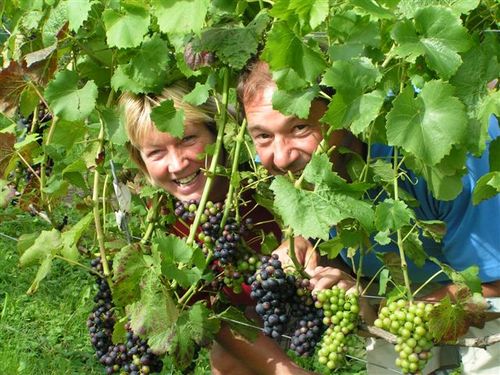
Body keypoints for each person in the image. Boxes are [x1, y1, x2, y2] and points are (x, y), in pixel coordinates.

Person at [238, 59, 500, 374]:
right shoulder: (289, 162)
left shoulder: (444, 158)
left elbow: (495, 283)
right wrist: (311, 250)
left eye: (299, 127)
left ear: (346, 114)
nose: (280, 157)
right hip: (402, 285)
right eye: (264, 136)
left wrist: (402, 316)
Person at [120, 80, 316, 375]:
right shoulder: (165, 218)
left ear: (218, 132)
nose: (177, 164)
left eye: (187, 139)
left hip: (312, 287)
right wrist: (283, 370)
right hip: (244, 308)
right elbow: (211, 312)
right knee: (227, 364)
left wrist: (303, 239)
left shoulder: (263, 173)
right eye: (156, 153)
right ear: (141, 161)